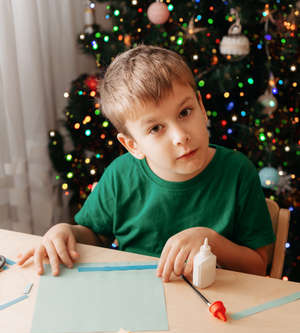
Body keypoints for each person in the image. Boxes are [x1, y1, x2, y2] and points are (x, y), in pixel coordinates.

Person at [18, 45, 275, 281]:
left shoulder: (238, 172)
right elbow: (93, 234)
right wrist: (67, 232)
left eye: (185, 112)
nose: (180, 136)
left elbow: (258, 267)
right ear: (133, 145)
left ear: (201, 106)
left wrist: (212, 242)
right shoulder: (121, 177)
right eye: (155, 128)